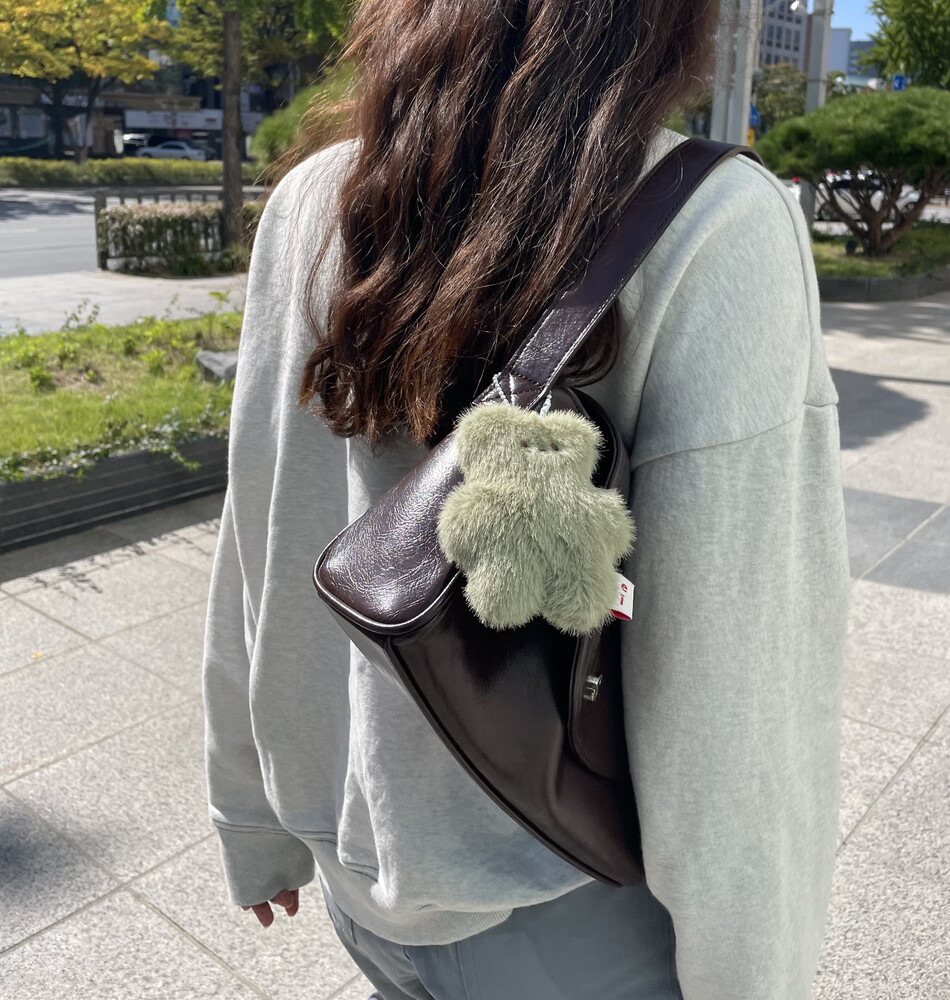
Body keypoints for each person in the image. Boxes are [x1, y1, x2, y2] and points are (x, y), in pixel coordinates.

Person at [202, 2, 850, 998]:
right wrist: (752, 976)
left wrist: (252, 814)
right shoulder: (713, 222)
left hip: (355, 873)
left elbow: (259, 526)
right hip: (568, 906)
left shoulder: (308, 201)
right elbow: (737, 682)